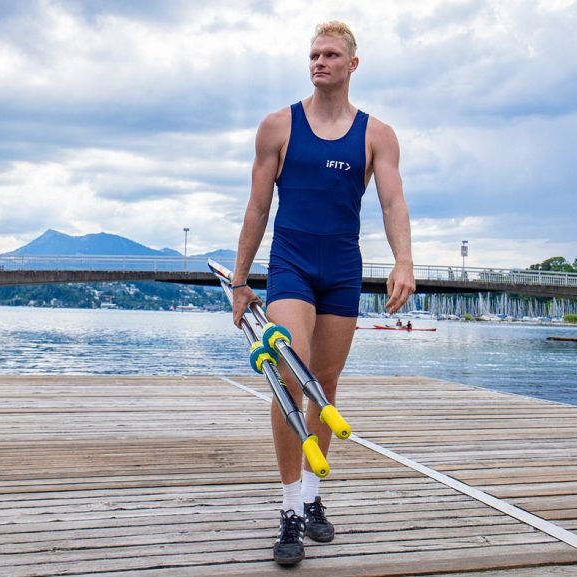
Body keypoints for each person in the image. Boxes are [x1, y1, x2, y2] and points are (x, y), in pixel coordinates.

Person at [230, 20, 415, 566]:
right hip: (291, 265)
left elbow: (393, 202)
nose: (320, 62)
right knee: (292, 375)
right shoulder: (278, 126)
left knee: (325, 384)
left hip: (341, 268)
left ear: (352, 64)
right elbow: (258, 207)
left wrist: (404, 260)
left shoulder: (377, 135)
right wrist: (240, 282)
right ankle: (289, 508)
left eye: (331, 55)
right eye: (314, 55)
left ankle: (313, 497)